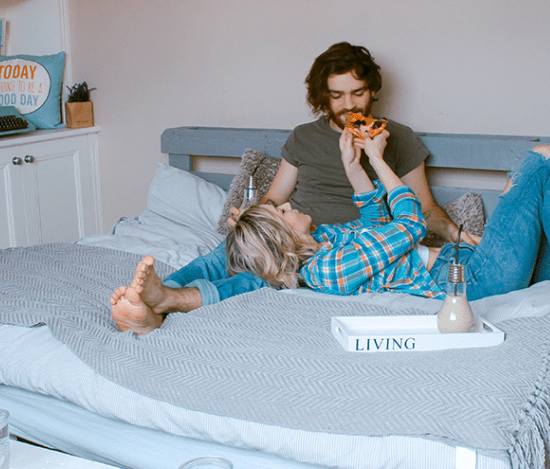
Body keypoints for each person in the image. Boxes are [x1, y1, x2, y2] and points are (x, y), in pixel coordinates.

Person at [221, 127, 550, 410]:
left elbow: (377, 219)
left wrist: (359, 166)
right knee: (547, 158)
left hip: (477, 262)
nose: (289, 206)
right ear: (284, 238)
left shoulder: (326, 239)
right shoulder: (329, 271)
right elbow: (409, 224)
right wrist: (381, 161)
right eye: (282, 212)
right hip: (472, 280)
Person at [111, 42, 469, 327]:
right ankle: (155, 297)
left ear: (372, 91)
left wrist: (456, 234)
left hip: (342, 246)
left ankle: (171, 302)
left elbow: (423, 208)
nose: (349, 105)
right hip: (292, 234)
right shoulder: (303, 138)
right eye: (337, 95)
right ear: (322, 97)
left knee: (261, 281)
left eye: (358, 93)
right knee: (223, 255)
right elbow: (273, 198)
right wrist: (250, 218)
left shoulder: (396, 138)